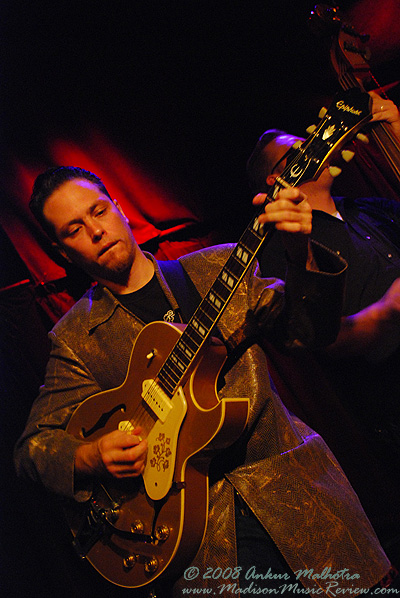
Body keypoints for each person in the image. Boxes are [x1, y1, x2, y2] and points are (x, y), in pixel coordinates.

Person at [14, 166, 396, 597]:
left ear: (119, 208)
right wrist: (88, 456)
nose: (96, 231)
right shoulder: (77, 339)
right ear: (62, 251)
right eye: (74, 229)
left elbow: (309, 333)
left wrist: (300, 252)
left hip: (300, 500)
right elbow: (32, 449)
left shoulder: (216, 267)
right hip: (199, 544)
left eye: (98, 211)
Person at [246, 91, 400, 567]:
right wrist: (390, 310)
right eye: (302, 146)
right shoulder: (278, 252)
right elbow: (321, 341)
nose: (320, 145)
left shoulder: (368, 210)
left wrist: (393, 129)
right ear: (279, 177)